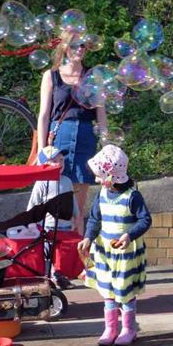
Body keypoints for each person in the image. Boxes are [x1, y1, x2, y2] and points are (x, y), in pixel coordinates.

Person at [77, 145, 152, 346]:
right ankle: (110, 328)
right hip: (104, 253)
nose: (97, 180)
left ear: (112, 176)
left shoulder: (132, 197)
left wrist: (129, 235)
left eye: (100, 176)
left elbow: (145, 220)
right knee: (108, 291)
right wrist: (88, 238)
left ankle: (129, 329)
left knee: (124, 291)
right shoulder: (101, 194)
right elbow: (94, 219)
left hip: (125, 254)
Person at [37, 30, 109, 218]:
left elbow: (101, 115)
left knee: (78, 206)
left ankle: (76, 245)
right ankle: (55, 244)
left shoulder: (94, 77)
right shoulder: (50, 76)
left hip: (85, 137)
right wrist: (41, 151)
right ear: (65, 47)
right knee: (56, 199)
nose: (80, 49)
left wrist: (106, 147)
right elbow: (44, 115)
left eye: (83, 45)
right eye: (75, 45)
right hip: (59, 139)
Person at [27, 146, 82, 288]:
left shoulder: (66, 181)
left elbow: (72, 200)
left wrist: (76, 216)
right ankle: (51, 277)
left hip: (65, 225)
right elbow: (33, 204)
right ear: (44, 163)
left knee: (62, 255)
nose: (59, 163)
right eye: (54, 160)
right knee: (48, 254)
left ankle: (59, 275)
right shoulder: (41, 183)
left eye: (61, 159)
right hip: (48, 226)